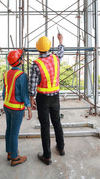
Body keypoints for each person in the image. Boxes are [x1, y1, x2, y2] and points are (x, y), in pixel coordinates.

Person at [29, 34, 65, 166]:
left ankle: (47, 156)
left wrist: (32, 100)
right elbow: (61, 51)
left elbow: (32, 86)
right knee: (57, 122)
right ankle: (61, 148)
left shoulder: (36, 65)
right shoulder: (56, 59)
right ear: (49, 47)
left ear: (38, 49)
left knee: (45, 126)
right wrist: (61, 40)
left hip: (43, 98)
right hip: (55, 97)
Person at [2, 49, 32, 166]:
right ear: (19, 61)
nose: (23, 59)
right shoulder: (22, 75)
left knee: (9, 129)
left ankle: (10, 152)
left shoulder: (6, 74)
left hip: (7, 106)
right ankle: (15, 158)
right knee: (14, 133)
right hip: (16, 108)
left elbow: (4, 93)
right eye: (21, 57)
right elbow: (25, 94)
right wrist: (28, 108)